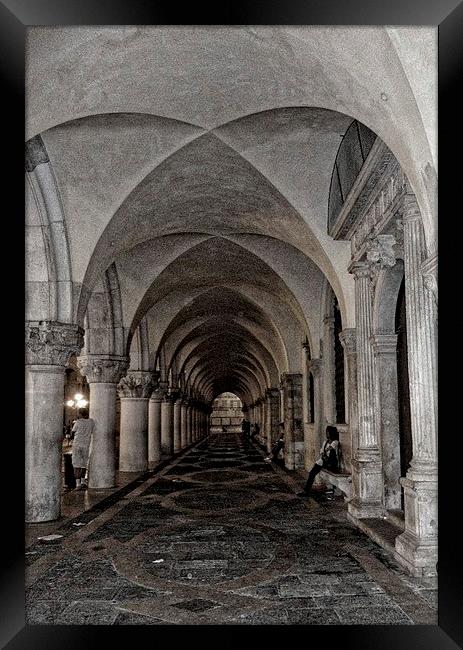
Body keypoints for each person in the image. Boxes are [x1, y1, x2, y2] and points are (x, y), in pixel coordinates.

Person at [297, 425, 340, 496]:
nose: (327, 434)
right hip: (323, 461)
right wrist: (323, 454)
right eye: (326, 432)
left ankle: (334, 489)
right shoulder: (325, 442)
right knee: (312, 473)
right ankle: (306, 490)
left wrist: (324, 452)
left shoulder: (335, 442)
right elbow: (322, 451)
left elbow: (330, 448)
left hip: (331, 462)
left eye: (328, 432)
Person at [71, 407, 94, 490]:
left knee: (76, 463)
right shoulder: (91, 422)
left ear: (80, 414)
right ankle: (83, 481)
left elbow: (72, 433)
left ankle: (77, 484)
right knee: (84, 464)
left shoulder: (77, 422)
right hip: (86, 445)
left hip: (77, 444)